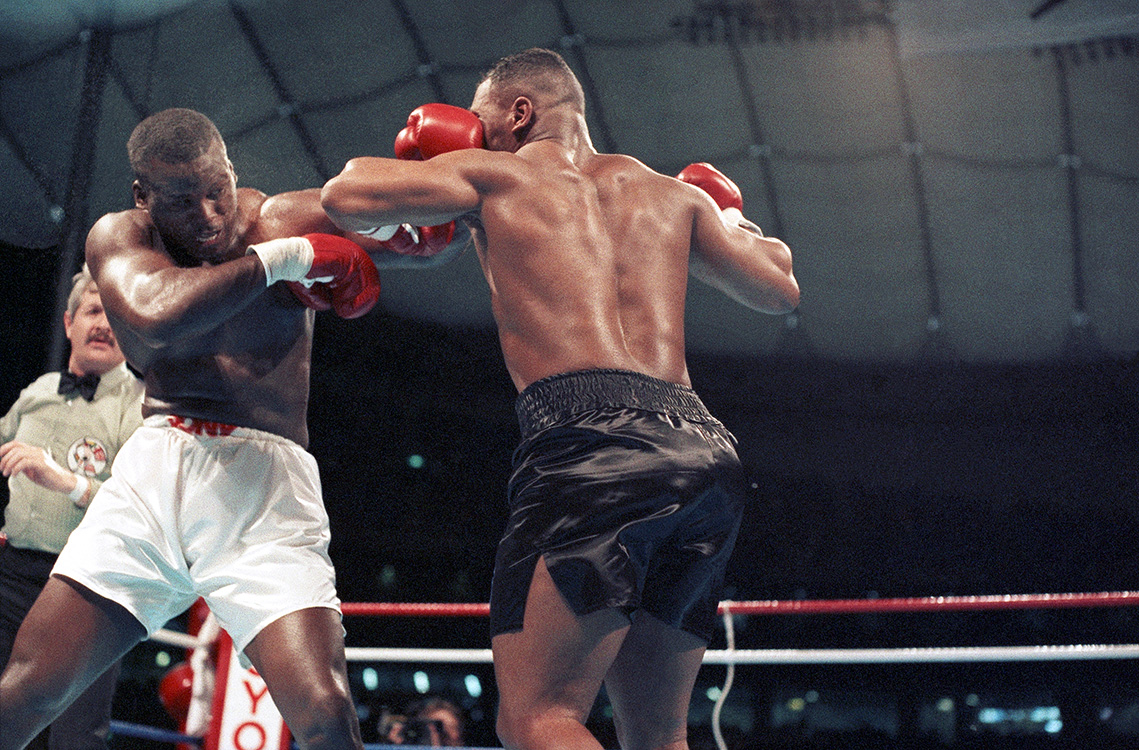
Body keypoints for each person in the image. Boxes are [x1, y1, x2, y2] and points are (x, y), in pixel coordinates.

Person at [321, 48, 798, 750]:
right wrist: (735, 222)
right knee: (658, 733)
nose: (476, 136)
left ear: (519, 114)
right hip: (704, 450)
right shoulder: (673, 194)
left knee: (537, 718)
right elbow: (778, 287)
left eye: (482, 122)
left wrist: (439, 153)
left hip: (589, 445)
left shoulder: (496, 173)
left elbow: (345, 192)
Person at [0, 107, 451, 750]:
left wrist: (434, 203)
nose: (209, 216)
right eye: (183, 202)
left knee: (324, 712)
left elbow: (435, 240)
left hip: (262, 490)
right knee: (29, 690)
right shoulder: (120, 238)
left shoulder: (278, 218)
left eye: (216, 191)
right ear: (143, 197)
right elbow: (157, 314)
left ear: (231, 172)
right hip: (154, 478)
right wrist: (285, 261)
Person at [0, 266, 144, 750]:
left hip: (88, 588)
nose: (103, 324)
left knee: (74, 735)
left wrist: (64, 482)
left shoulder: (142, 407)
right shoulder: (37, 392)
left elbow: (138, 509)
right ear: (69, 323)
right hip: (13, 573)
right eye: (93, 311)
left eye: (116, 316)